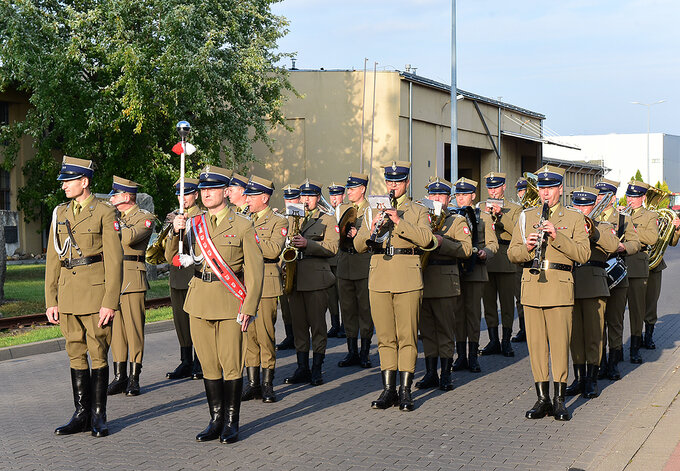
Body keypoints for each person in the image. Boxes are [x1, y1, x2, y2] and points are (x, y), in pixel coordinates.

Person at [168, 165, 264, 444]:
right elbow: (171, 257)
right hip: (198, 300)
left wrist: (248, 307)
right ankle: (215, 420)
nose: (206, 193)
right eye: (204, 189)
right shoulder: (192, 222)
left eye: (212, 189)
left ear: (225, 191)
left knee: (231, 365)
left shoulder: (244, 225)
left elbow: (255, 273)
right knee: (209, 365)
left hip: (228, 300)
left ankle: (232, 422)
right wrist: (176, 232)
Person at [46, 156, 123, 437]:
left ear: (84, 182)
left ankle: (99, 415)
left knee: (98, 353)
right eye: (64, 181)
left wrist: (109, 302)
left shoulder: (104, 212)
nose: (64, 186)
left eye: (68, 181)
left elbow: (115, 261)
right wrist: (51, 299)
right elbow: (53, 258)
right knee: (75, 352)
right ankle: (81, 414)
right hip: (68, 294)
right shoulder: (61, 213)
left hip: (94, 294)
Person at [508, 165, 590, 421]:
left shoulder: (574, 218)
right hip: (532, 287)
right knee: (536, 347)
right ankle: (542, 398)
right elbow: (512, 254)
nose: (545, 193)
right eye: (542, 188)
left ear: (560, 189)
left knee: (558, 346)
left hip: (559, 287)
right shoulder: (525, 216)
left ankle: (559, 399)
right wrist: (527, 247)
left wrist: (557, 236)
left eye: (550, 188)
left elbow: (583, 255)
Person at [353, 161, 437, 411]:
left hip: (407, 276)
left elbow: (427, 240)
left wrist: (399, 221)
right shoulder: (372, 210)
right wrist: (373, 224)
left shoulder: (418, 210)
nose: (393, 186)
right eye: (389, 182)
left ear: (406, 183)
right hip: (379, 276)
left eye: (397, 182)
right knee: (386, 338)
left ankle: (405, 390)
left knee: (407, 337)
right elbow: (358, 246)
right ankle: (388, 389)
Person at [416, 177, 472, 391]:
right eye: (432, 195)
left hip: (446, 280)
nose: (436, 199)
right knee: (427, 330)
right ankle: (430, 373)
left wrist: (442, 242)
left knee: (446, 329)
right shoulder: (421, 219)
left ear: (449, 199)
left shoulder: (456, 221)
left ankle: (446, 374)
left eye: (440, 195)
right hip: (423, 278)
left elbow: (466, 250)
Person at [283, 179, 339, 387]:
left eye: (310, 196)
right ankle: (302, 367)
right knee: (299, 326)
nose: (306, 200)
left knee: (317, 325)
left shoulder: (328, 219)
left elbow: (332, 248)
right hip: (295, 277)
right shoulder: (291, 217)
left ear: (317, 198)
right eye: (303, 196)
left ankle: (317, 368)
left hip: (316, 278)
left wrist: (309, 244)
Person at [565, 187, 618, 399]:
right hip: (571, 283)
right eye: (577, 204)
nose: (581, 209)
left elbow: (614, 245)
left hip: (594, 283)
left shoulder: (603, 225)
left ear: (594, 205)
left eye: (585, 205)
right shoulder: (568, 225)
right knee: (575, 336)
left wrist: (593, 232)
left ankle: (592, 380)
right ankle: (579, 378)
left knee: (594, 335)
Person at [241, 176, 288, 403]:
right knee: (248, 334)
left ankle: (268, 384)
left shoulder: (278, 221)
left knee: (266, 335)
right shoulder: (244, 219)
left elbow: (272, 251)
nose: (247, 199)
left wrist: (250, 235)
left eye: (251, 196)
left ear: (264, 197)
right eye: (247, 195)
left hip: (267, 282)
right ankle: (252, 383)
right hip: (245, 283)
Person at [106, 176, 154, 397]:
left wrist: (112, 225)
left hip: (133, 276)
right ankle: (119, 376)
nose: (111, 198)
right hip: (114, 277)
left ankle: (134, 377)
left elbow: (127, 239)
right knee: (116, 331)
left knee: (134, 330)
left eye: (115, 194)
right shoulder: (113, 217)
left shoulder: (144, 217)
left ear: (126, 196)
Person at [593, 178, 640, 380]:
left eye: (603, 195)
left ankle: (613, 363)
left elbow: (636, 243)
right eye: (597, 194)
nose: (599, 198)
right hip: (595, 274)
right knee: (598, 321)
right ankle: (599, 363)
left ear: (611, 197)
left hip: (617, 275)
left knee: (615, 321)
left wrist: (623, 247)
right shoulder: (591, 218)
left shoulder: (623, 219)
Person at [452, 178, 498, 373]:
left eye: (464, 195)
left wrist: (484, 253)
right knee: (457, 315)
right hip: (455, 270)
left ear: (473, 196)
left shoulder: (484, 217)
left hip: (476, 270)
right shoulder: (451, 216)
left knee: (472, 315)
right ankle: (460, 355)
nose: (460, 198)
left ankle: (472, 356)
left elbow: (493, 244)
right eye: (458, 195)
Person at [165, 177, 204, 380]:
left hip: (194, 276)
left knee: (195, 320)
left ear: (195, 195)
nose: (182, 198)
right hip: (177, 276)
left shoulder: (203, 217)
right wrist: (175, 230)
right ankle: (186, 360)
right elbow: (167, 255)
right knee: (180, 321)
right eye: (179, 195)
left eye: (186, 194)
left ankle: (200, 361)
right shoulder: (173, 217)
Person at [480, 172, 522, 357]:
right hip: (486, 260)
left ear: (504, 187)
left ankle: (506, 341)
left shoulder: (514, 208)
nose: (493, 191)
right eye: (490, 187)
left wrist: (501, 217)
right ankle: (493, 340)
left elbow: (518, 232)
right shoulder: (481, 207)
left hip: (505, 259)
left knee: (506, 304)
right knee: (489, 304)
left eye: (496, 187)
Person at [336, 172, 374, 369]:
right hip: (345, 263)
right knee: (348, 310)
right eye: (348, 188)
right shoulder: (342, 208)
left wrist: (359, 234)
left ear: (363, 189)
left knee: (365, 310)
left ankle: (365, 353)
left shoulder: (371, 209)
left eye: (352, 188)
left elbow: (373, 235)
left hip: (363, 263)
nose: (349, 192)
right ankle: (352, 352)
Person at [623, 180, 659, 364]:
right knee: (616, 313)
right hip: (619, 265)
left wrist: (631, 231)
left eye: (635, 197)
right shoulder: (621, 213)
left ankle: (635, 348)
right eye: (629, 196)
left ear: (643, 198)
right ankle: (615, 350)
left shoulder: (650, 215)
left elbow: (652, 237)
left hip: (637, 267)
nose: (631, 199)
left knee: (637, 311)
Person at [642, 209, 680, 349]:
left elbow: (672, 243)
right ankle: (636, 337)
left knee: (651, 302)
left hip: (655, 265)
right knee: (636, 304)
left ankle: (648, 336)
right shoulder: (632, 215)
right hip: (636, 264)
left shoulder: (660, 216)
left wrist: (676, 229)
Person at [276, 184, 301, 351]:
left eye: (293, 198)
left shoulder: (301, 217)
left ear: (299, 199)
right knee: (284, 305)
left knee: (296, 306)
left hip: (297, 266)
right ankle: (289, 335)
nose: (289, 201)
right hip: (282, 266)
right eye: (287, 198)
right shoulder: (281, 217)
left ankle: (299, 336)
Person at [326, 182, 346, 338]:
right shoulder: (326, 212)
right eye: (332, 195)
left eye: (337, 195)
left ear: (343, 196)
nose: (334, 198)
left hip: (341, 258)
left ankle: (346, 324)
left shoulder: (347, 211)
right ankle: (334, 324)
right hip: (328, 258)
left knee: (343, 294)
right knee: (331, 295)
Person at [512, 177, 529, 342]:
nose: (521, 194)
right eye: (519, 191)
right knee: (520, 297)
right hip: (520, 257)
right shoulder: (516, 210)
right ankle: (524, 328)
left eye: (523, 190)